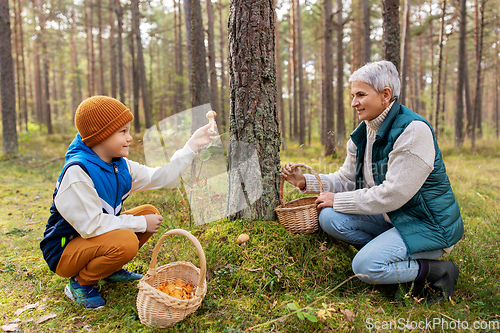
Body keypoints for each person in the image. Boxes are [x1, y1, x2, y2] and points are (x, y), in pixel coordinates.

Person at [281, 61, 463, 303]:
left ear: (385, 95)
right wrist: (304, 181)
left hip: (426, 225)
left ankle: (437, 270)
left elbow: (393, 194)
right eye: (352, 95)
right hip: (392, 217)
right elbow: (345, 179)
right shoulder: (363, 133)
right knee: (328, 217)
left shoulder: (413, 131)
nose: (353, 102)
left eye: (360, 95)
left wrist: (338, 199)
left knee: (365, 266)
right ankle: (390, 255)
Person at [40, 96, 216, 309]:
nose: (130, 137)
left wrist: (193, 144)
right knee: (127, 240)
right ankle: (81, 283)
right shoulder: (78, 171)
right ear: (101, 135)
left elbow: (163, 176)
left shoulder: (120, 166)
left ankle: (108, 270)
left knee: (148, 212)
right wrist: (141, 225)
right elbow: (90, 226)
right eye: (122, 132)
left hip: (92, 241)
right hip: (64, 251)